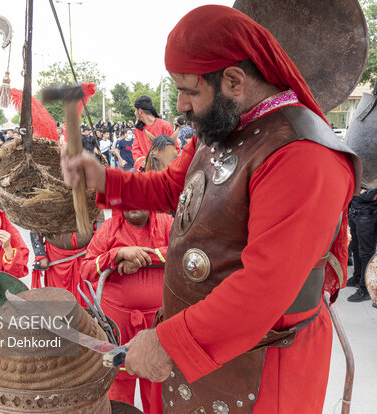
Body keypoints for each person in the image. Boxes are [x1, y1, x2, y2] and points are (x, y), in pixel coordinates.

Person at [61, 6, 359, 413]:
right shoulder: (225, 126)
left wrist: (167, 342)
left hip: (263, 364)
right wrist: (104, 182)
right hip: (201, 340)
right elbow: (173, 187)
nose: (181, 104)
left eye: (189, 90)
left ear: (234, 80)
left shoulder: (302, 155)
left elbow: (264, 288)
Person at [79, 209, 173, 412]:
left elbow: (185, 251)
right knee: (118, 384)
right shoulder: (107, 229)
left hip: (157, 324)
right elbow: (85, 269)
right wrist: (117, 254)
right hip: (117, 326)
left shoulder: (167, 223)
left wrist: (137, 257)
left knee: (157, 381)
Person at [131, 96, 178, 170]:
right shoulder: (138, 129)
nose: (134, 113)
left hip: (164, 169)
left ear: (140, 111)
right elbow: (135, 149)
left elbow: (175, 149)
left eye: (135, 110)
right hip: (144, 169)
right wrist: (141, 160)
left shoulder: (165, 126)